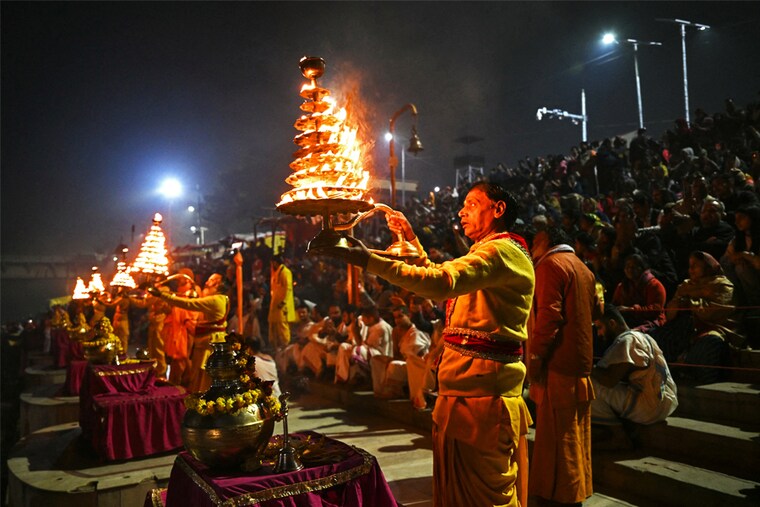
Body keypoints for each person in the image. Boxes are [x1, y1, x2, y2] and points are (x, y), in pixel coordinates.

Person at [324, 182, 535, 507]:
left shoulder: (502, 252)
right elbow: (442, 276)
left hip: (482, 400)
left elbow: (441, 283)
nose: (461, 211)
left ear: (498, 209)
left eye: (472, 203)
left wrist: (368, 260)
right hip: (464, 395)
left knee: (488, 500)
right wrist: (409, 240)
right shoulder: (485, 253)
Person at [528, 227, 596, 507]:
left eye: (535, 242)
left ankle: (559, 495)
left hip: (558, 363)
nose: (532, 248)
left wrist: (535, 357)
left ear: (546, 241)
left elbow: (548, 318)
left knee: (557, 440)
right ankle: (573, 491)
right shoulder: (583, 268)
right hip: (579, 364)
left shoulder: (550, 265)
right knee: (574, 437)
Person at [591, 305, 678, 450]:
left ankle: (618, 436)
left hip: (649, 408)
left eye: (600, 327)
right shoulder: (643, 336)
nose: (599, 333)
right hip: (665, 404)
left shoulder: (626, 341)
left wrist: (585, 367)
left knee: (588, 383)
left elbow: (609, 380)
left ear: (612, 323)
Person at [660, 251, 739, 383]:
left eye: (695, 265)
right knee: (661, 335)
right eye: (689, 266)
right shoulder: (685, 286)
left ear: (707, 266)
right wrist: (679, 305)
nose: (690, 270)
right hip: (686, 327)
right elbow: (670, 311)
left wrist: (689, 303)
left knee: (709, 343)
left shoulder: (722, 285)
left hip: (715, 327)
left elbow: (714, 311)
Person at [150, 272, 229, 393]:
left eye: (210, 280)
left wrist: (162, 295)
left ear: (217, 283)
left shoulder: (215, 300)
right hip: (202, 338)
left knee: (200, 374)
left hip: (207, 341)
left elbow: (189, 304)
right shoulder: (219, 298)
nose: (206, 282)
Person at [371, 305, 431, 400]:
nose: (397, 320)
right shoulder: (397, 332)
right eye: (395, 317)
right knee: (376, 360)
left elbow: (417, 357)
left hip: (415, 366)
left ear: (409, 316)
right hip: (403, 362)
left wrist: (393, 360)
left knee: (394, 364)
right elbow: (396, 354)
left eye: (400, 316)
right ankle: (379, 391)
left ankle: (395, 391)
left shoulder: (417, 331)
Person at [268, 254, 296, 352]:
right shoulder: (277, 272)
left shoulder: (285, 272)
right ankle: (276, 348)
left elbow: (288, 288)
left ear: (275, 263)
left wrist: (283, 302)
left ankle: (286, 348)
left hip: (281, 306)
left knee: (282, 326)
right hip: (275, 304)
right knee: (274, 326)